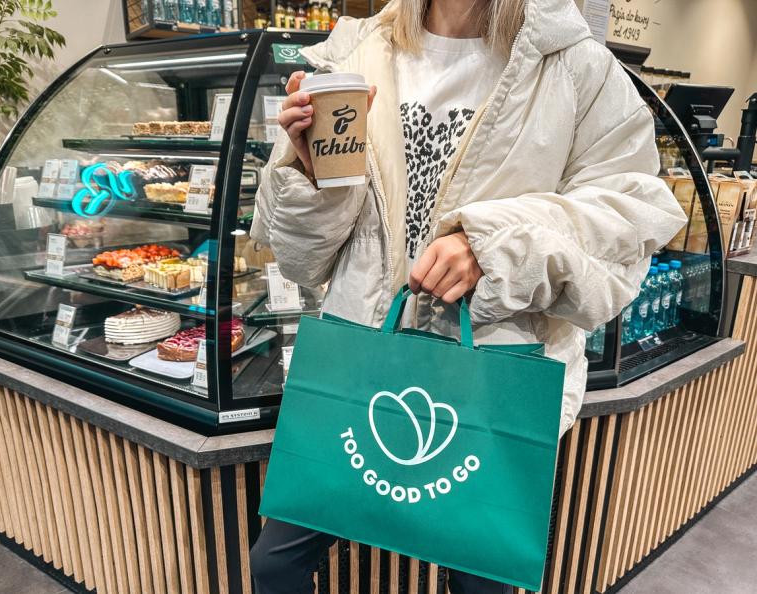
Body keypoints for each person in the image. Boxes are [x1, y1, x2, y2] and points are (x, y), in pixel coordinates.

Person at [249, 0, 687, 591]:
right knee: (276, 562)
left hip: (490, 373)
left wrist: (497, 246)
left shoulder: (574, 64)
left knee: (481, 576)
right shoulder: (356, 51)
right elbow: (304, 261)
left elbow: (631, 216)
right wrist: (310, 176)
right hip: (359, 363)